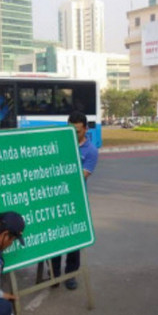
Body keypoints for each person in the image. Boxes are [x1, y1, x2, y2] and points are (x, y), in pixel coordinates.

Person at [51, 111, 98, 290]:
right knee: (54, 239)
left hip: (75, 201)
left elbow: (80, 178)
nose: (73, 134)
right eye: (70, 130)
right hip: (55, 199)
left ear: (85, 129)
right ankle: (53, 275)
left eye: (77, 131)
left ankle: (70, 275)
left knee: (73, 240)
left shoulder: (91, 151)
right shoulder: (59, 145)